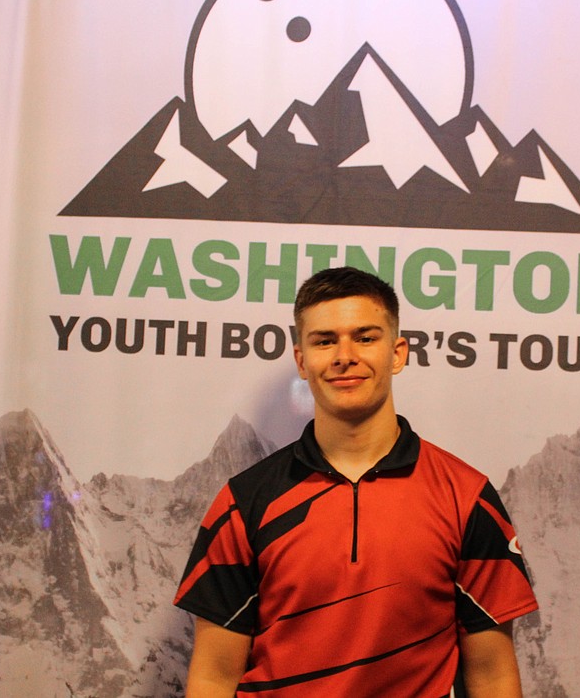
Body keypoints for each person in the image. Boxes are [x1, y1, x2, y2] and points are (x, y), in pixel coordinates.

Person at [173, 267, 539, 696]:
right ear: (302, 362)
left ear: (398, 353)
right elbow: (214, 675)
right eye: (325, 341)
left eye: (365, 338)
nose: (345, 355)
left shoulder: (467, 496)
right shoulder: (245, 501)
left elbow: (493, 673)